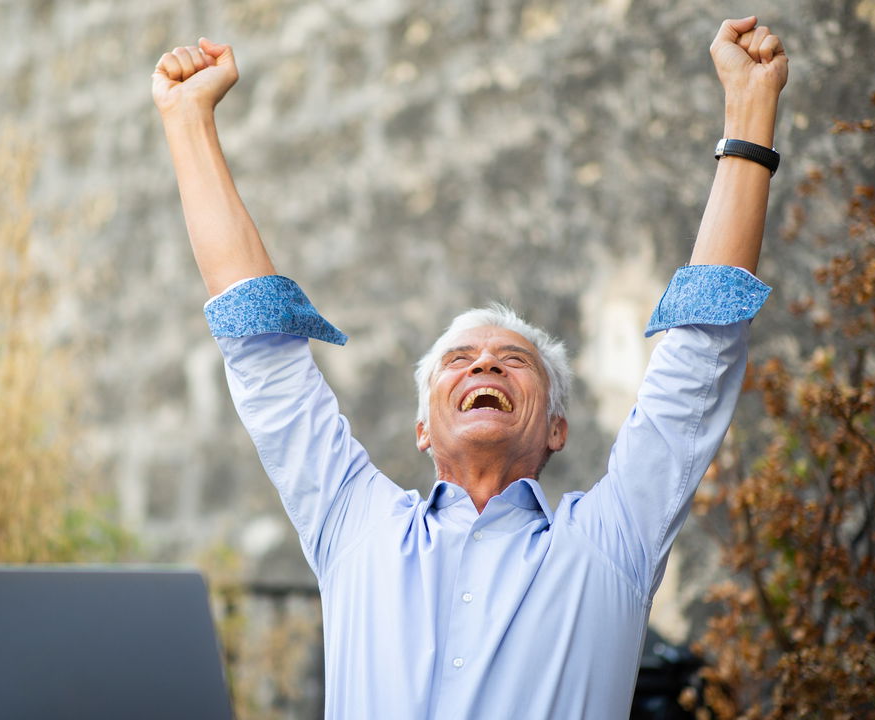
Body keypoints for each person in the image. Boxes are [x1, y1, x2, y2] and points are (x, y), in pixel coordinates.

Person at [152, 16, 787, 719]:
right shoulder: (355, 526)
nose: (485, 362)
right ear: (423, 426)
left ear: (556, 429)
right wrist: (187, 122)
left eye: (515, 361)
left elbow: (700, 353)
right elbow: (260, 346)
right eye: (459, 359)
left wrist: (749, 110)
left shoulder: (613, 541)